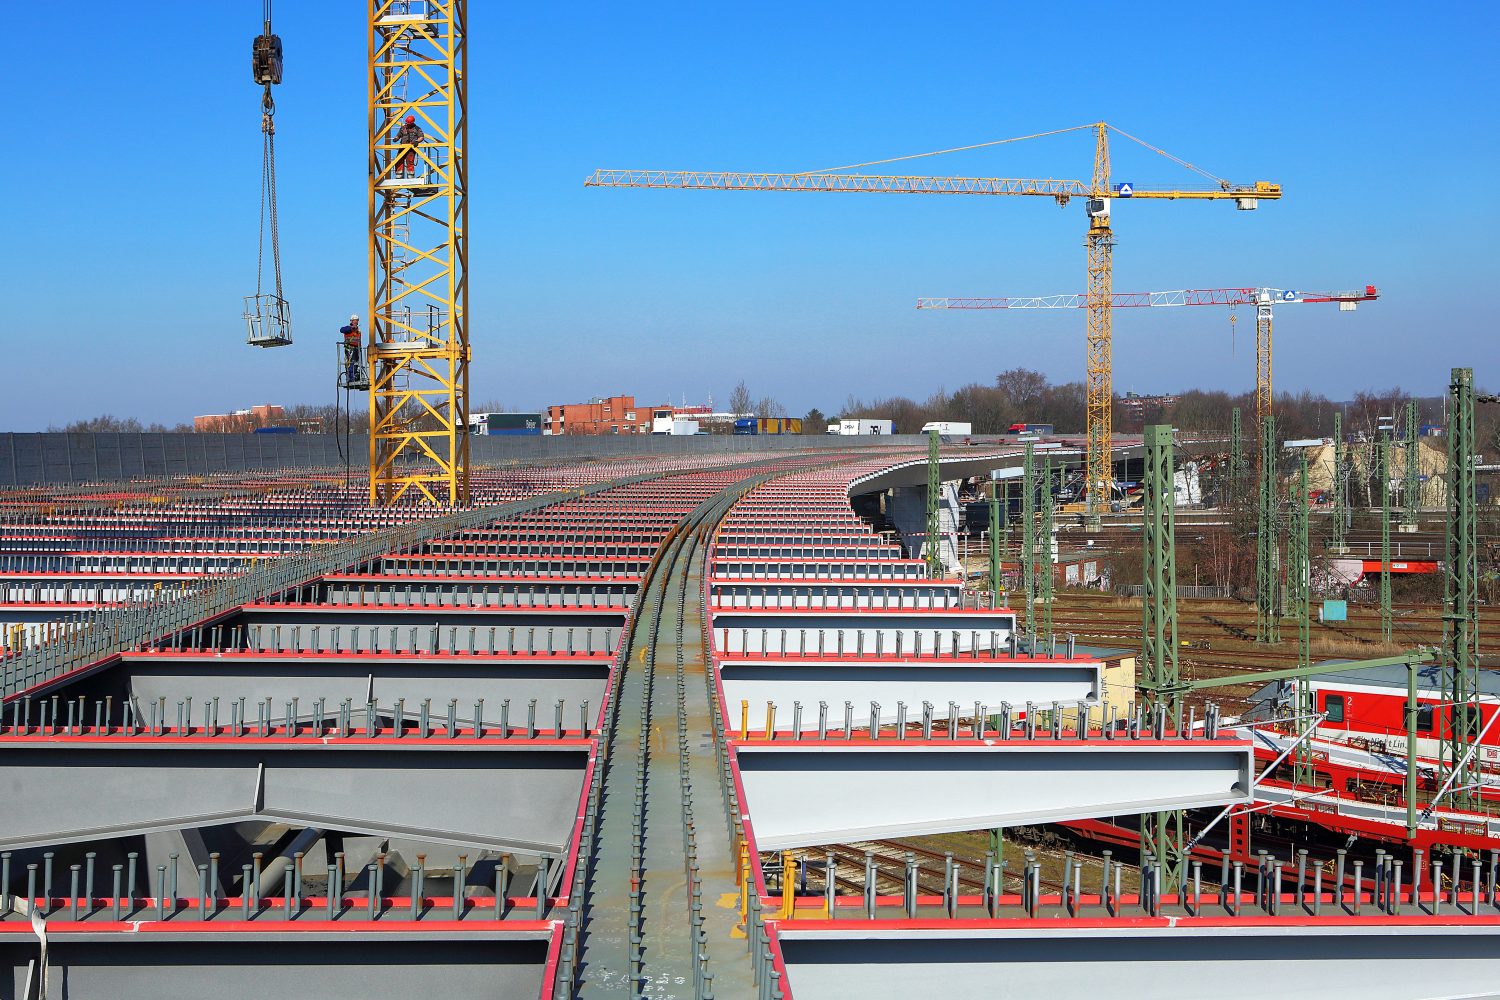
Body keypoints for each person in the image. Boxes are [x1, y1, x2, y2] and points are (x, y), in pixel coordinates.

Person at [395, 114, 424, 178]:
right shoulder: (403, 128)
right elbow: (399, 135)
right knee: (398, 160)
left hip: (411, 148)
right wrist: (396, 138)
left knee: (410, 161)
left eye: (408, 123)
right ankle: (398, 175)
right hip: (402, 147)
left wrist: (417, 141)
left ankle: (410, 176)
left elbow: (421, 137)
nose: (407, 124)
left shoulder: (417, 129)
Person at [340, 314, 363, 386]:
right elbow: (341, 330)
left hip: (357, 348)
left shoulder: (358, 331)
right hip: (350, 349)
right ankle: (350, 377)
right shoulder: (348, 329)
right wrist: (351, 328)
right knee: (351, 363)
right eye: (355, 320)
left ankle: (355, 376)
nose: (356, 322)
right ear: (351, 321)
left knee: (357, 363)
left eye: (357, 320)